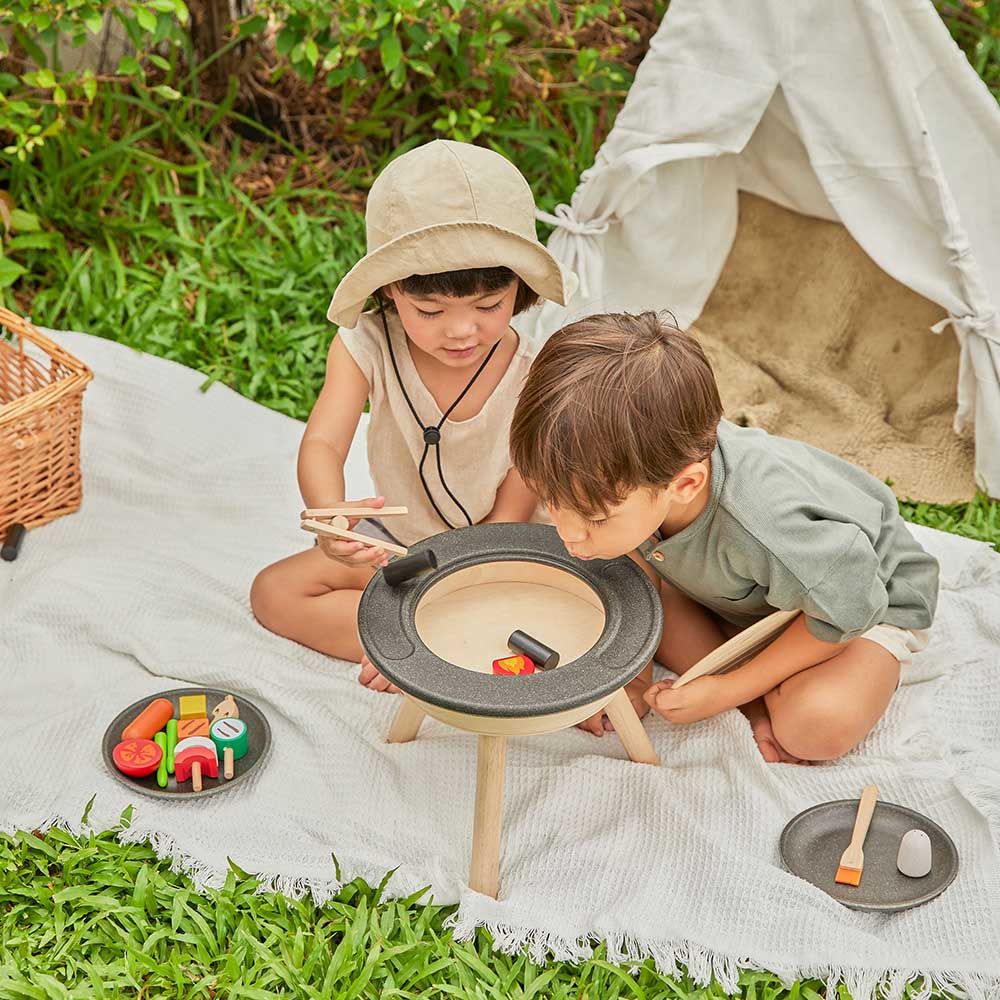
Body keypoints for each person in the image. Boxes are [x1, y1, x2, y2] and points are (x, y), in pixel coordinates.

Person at [508, 311, 939, 763]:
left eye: (594, 518)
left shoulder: (765, 521)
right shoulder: (630, 475)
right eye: (551, 502)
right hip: (748, 596)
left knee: (815, 728)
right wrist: (634, 679)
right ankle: (758, 699)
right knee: (633, 600)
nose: (568, 534)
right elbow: (636, 567)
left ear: (686, 485)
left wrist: (728, 688)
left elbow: (852, 604)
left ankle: (762, 688)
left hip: (861, 604)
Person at [251, 140, 575, 691]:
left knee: (566, 602)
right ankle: (434, 645)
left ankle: (417, 645)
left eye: (488, 306)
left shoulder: (534, 368)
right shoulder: (365, 343)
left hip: (500, 548)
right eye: (429, 310)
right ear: (390, 291)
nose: (461, 331)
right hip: (400, 545)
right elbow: (324, 443)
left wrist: (463, 576)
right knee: (273, 592)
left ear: (518, 288)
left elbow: (518, 498)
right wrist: (329, 515)